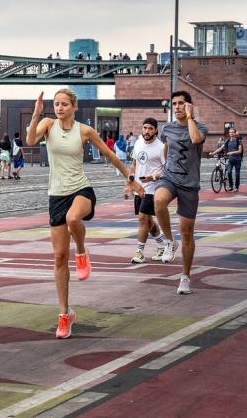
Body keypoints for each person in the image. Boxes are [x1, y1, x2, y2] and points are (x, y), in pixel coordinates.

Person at [26, 89, 143, 339]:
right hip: (56, 196)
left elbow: (109, 154)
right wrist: (36, 114)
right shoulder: (48, 125)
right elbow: (30, 140)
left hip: (81, 190)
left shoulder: (84, 131)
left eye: (64, 104)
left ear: (74, 107)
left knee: (73, 219)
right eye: (56, 104)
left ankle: (81, 252)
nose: (59, 108)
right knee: (59, 258)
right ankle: (65, 314)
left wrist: (130, 178)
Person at [154, 90, 209, 295]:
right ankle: (169, 241)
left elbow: (195, 139)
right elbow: (166, 148)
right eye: (174, 104)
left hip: (189, 185)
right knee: (159, 201)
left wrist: (189, 116)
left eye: (181, 103)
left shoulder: (200, 127)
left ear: (188, 106)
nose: (177, 107)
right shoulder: (167, 128)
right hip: (169, 178)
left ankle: (185, 276)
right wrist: (163, 168)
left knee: (187, 234)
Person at [123, 118, 168, 263]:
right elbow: (134, 165)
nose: (147, 131)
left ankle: (140, 252)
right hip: (139, 188)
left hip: (153, 189)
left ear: (156, 130)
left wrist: (152, 177)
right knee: (147, 220)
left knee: (142, 217)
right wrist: (129, 183)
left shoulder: (161, 147)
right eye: (145, 128)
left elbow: (167, 170)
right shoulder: (138, 143)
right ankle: (162, 245)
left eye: (150, 128)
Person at [210, 128, 243, 193]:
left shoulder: (238, 141)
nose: (231, 133)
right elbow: (221, 148)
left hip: (237, 160)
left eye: (232, 132)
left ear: (235, 133)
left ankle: (236, 187)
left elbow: (240, 151)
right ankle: (231, 186)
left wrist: (231, 153)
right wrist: (213, 153)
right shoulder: (227, 141)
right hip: (230, 160)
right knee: (229, 172)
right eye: (230, 132)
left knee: (237, 174)